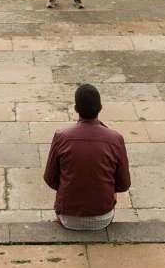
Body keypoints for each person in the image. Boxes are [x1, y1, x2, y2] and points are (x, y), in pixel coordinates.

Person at [43, 84, 131, 231]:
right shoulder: (115, 139)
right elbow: (123, 184)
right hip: (104, 217)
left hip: (67, 218)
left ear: (76, 109)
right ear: (100, 107)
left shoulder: (61, 137)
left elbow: (50, 179)